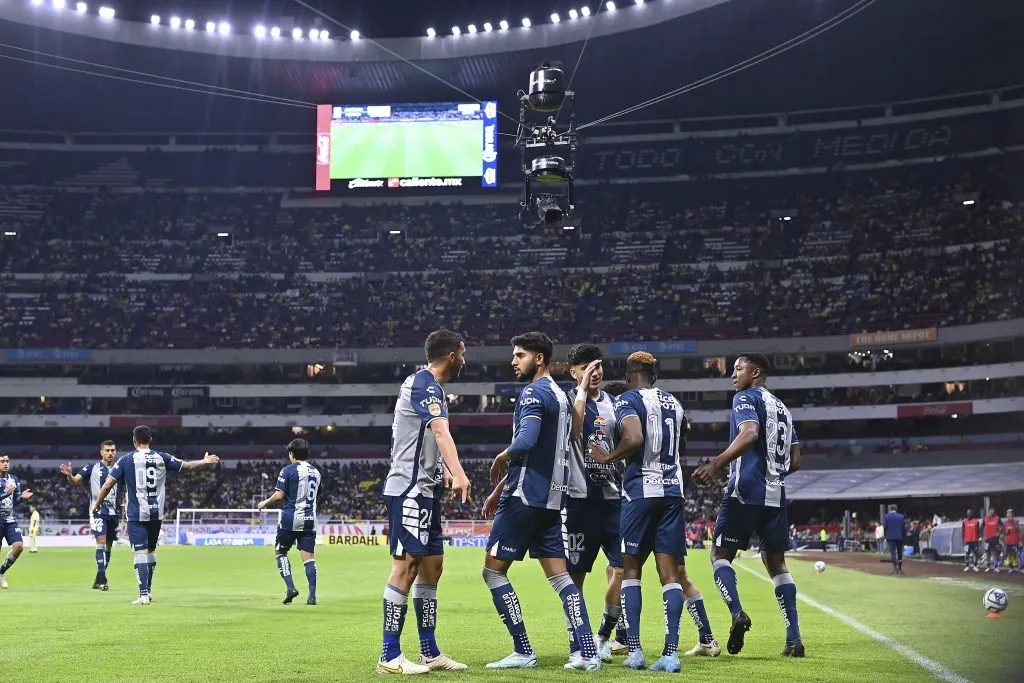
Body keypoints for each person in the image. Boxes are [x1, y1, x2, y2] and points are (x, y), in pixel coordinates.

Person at [590, 351, 719, 672]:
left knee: (630, 571)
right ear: (655, 376)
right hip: (673, 493)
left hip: (640, 494)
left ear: (629, 376)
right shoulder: (675, 403)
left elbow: (634, 437)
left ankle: (634, 651)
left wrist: (607, 457)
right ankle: (670, 654)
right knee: (671, 575)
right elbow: (681, 447)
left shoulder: (627, 399)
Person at [483, 331, 602, 671]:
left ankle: (523, 650)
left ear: (538, 359)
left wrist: (501, 457)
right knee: (563, 580)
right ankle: (586, 652)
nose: (513, 361)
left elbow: (526, 441)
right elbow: (573, 434)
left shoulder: (533, 393)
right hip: (552, 500)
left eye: (519, 355)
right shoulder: (561, 396)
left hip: (523, 497)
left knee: (493, 572)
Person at [693, 353, 804, 658]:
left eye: (738, 369)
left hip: (745, 491)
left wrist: (715, 464)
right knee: (777, 564)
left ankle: (737, 613)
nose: (733, 375)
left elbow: (750, 432)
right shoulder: (783, 409)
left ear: (755, 373)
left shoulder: (745, 397)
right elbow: (795, 461)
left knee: (720, 555)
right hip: (776, 495)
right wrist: (773, 476)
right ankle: (794, 639)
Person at [378, 329, 472, 675]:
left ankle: (429, 652)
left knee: (432, 566)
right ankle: (389, 655)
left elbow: (425, 437)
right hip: (409, 490)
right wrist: (458, 472)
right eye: (463, 354)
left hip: (426, 490)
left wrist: (442, 469)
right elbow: (440, 431)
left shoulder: (432, 388)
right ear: (451, 356)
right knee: (406, 567)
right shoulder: (425, 384)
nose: (465, 361)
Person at [92, 425, 219, 605]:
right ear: (150, 440)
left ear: (134, 441)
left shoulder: (126, 460)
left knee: (139, 552)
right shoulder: (162, 457)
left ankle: (143, 594)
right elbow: (188, 466)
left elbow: (106, 486)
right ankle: (148, 591)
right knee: (151, 551)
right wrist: (205, 461)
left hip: (136, 515)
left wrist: (97, 505)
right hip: (156, 514)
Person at [562, 344, 627, 663]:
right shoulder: (566, 401)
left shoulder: (615, 404)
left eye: (597, 365)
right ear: (573, 371)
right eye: (586, 367)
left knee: (622, 569)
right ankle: (577, 643)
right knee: (575, 577)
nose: (594, 372)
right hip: (578, 502)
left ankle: (602, 636)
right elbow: (574, 432)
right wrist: (581, 390)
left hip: (614, 501)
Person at [257, 439, 322, 605]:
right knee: (309, 558)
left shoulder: (288, 470)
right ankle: (312, 596)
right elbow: (317, 494)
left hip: (291, 518)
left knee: (281, 551)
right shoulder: (316, 472)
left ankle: (291, 588)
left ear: (291, 454)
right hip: (310, 520)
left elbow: (279, 495)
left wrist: (264, 503)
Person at [60, 440, 120, 589]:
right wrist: (69, 475)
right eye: (107, 450)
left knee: (108, 546)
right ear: (101, 452)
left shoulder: (120, 468)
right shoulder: (91, 468)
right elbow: (75, 481)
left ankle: (98, 580)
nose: (110, 453)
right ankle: (103, 580)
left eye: (112, 450)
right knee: (101, 541)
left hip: (114, 513)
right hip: (97, 511)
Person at [0, 453, 33, 588]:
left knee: (19, 546)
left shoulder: (14, 479)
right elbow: (5, 495)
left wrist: (21, 497)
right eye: (2, 461)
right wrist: (6, 493)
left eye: (7, 461)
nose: (5, 463)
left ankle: (1, 572)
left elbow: (15, 502)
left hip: (10, 520)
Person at [882, 504, 906, 575]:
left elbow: (885, 527)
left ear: (890, 509)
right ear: (896, 509)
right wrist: (903, 537)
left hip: (890, 537)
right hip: (899, 537)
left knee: (893, 553)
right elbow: (903, 528)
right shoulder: (901, 517)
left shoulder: (886, 517)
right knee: (899, 553)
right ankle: (900, 567)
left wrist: (886, 536)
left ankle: (895, 568)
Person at [983, 507, 1002, 573]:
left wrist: (999, 533)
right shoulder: (985, 518)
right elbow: (981, 527)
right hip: (987, 539)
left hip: (995, 539)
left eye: (992, 510)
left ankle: (996, 567)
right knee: (987, 553)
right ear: (988, 511)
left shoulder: (997, 518)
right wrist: (983, 536)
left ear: (994, 511)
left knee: (995, 552)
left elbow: (1002, 526)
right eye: (990, 510)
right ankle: (988, 567)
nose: (991, 512)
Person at [1001, 509, 1020, 574]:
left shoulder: (1016, 521)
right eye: (1007, 513)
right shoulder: (1005, 523)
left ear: (1012, 514)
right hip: (1008, 542)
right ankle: (1011, 567)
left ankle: (1021, 567)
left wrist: (1012, 522)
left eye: (1010, 513)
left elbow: (1017, 529)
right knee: (1009, 555)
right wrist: (1004, 539)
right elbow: (1004, 532)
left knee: (1017, 554)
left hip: (1015, 541)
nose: (1008, 515)